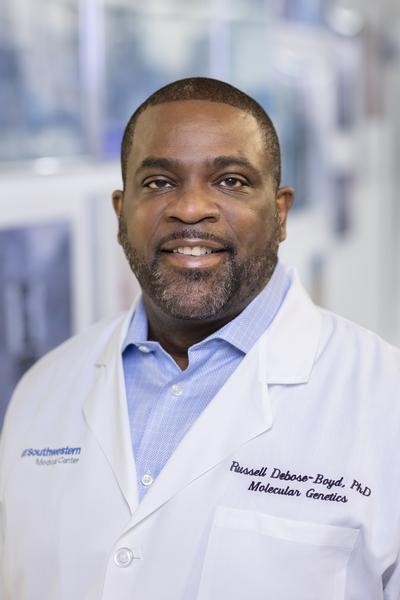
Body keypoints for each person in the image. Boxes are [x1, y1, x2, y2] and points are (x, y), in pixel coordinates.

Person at [0, 77, 399, 600]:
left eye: (231, 181)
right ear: (120, 212)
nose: (190, 209)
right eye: (159, 182)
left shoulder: (385, 400)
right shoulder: (43, 390)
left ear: (280, 212)